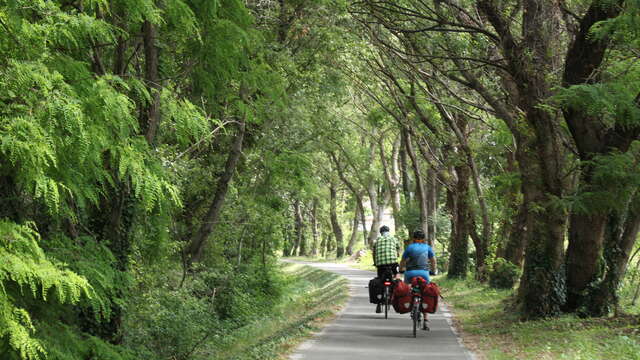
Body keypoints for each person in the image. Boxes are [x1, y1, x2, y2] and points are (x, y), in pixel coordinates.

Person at [372, 225, 400, 313]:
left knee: (380, 280)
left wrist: (375, 263)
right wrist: (397, 254)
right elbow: (398, 250)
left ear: (381, 232)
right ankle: (396, 295)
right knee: (397, 276)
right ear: (389, 231)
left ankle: (379, 303)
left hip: (380, 264)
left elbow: (374, 253)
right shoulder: (394, 239)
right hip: (392, 263)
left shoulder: (377, 240)